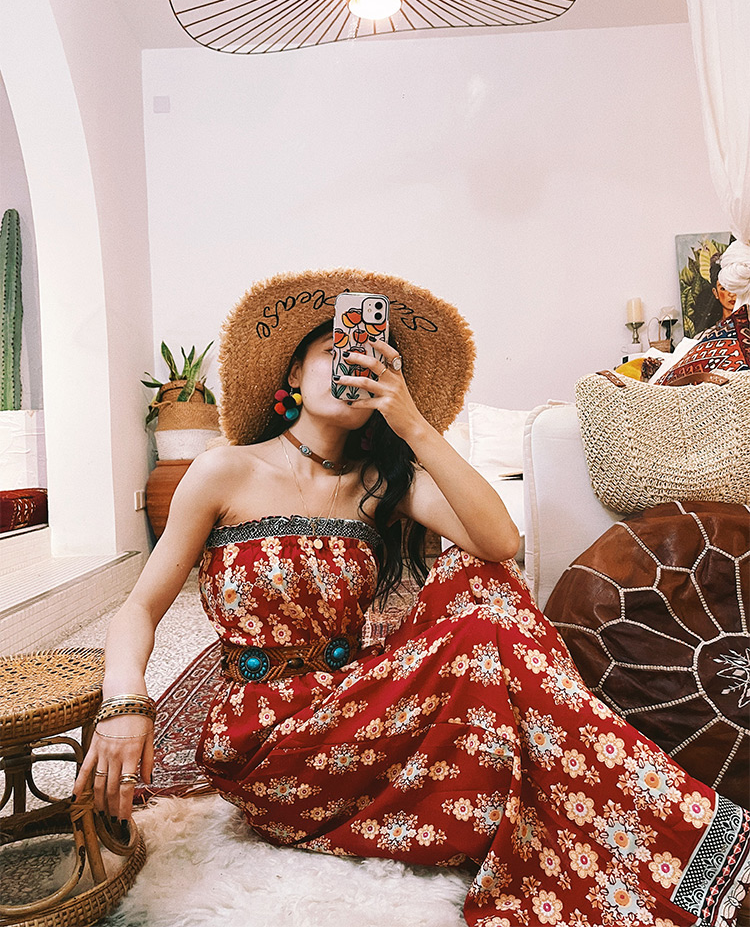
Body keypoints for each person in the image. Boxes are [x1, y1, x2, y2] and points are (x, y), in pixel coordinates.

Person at [75, 269, 750, 927]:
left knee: (481, 581)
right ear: (293, 374)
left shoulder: (379, 481)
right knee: (483, 635)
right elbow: (139, 607)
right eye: (335, 350)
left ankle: (634, 823)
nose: (353, 364)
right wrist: (125, 703)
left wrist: (414, 424)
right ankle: (684, 834)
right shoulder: (224, 469)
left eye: (373, 356)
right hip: (270, 744)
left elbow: (499, 541)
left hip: (358, 709)